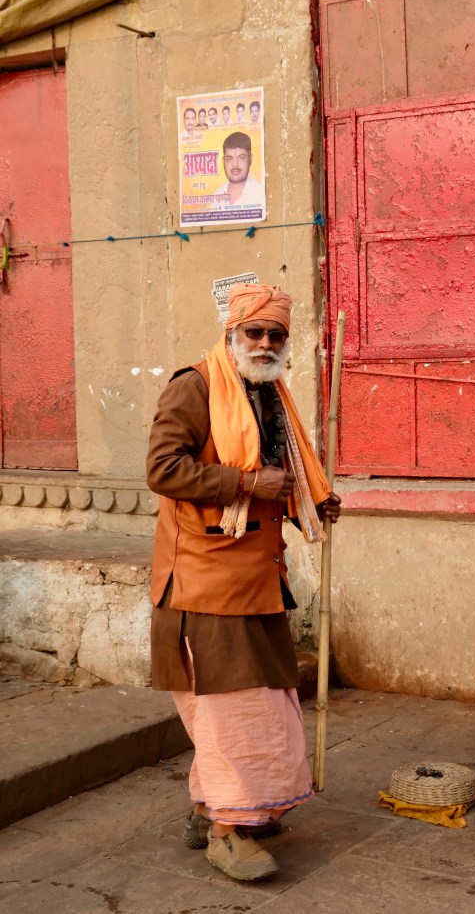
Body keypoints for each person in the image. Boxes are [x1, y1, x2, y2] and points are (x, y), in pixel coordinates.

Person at [147, 283, 341, 882]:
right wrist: (247, 484)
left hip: (257, 579)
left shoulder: (270, 392)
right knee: (233, 713)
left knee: (264, 705)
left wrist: (310, 504)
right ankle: (227, 832)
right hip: (202, 585)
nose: (265, 343)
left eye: (276, 334)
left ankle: (214, 809)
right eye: (254, 332)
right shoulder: (195, 385)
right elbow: (163, 469)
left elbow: (282, 475)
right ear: (232, 335)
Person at [215, 131, 264, 208]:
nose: (235, 165)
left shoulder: (261, 193)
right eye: (229, 159)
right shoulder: (217, 195)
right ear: (223, 161)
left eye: (241, 158)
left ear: (250, 159)